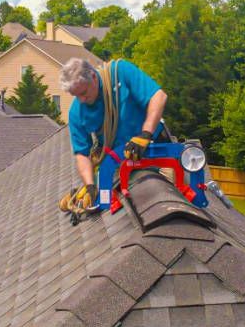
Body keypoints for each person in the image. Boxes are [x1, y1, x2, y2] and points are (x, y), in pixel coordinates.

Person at [58, 57, 167, 213]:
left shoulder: (120, 72)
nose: (81, 100)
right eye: (76, 96)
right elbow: (82, 154)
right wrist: (90, 185)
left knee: (170, 195)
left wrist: (145, 134)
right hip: (120, 161)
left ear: (93, 77)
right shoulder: (77, 113)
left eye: (83, 93)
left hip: (155, 149)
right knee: (112, 202)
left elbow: (159, 97)